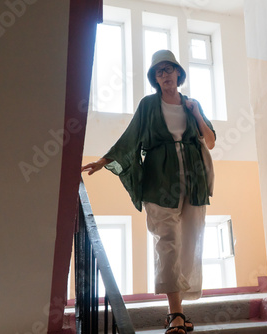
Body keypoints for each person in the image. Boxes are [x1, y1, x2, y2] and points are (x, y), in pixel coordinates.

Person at [82, 50, 215, 334]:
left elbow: (211, 141)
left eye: (169, 69)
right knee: (167, 243)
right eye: (159, 72)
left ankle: (181, 310)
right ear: (155, 79)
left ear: (179, 73)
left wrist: (196, 113)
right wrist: (104, 161)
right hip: (159, 181)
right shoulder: (149, 105)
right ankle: (175, 314)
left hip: (194, 181)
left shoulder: (193, 104)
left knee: (191, 242)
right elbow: (131, 137)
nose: (165, 75)